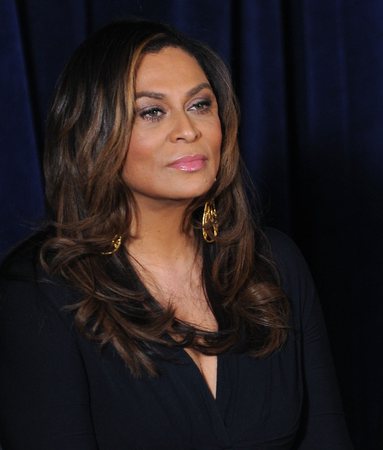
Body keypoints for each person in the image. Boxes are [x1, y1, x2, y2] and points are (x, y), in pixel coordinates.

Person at [0, 20, 351, 449]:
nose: (189, 130)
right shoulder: (38, 292)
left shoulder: (273, 264)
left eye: (200, 105)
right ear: (95, 133)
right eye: (152, 111)